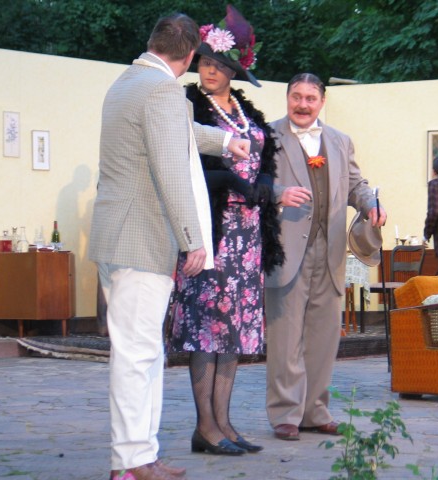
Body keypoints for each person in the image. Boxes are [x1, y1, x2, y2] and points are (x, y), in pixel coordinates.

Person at [89, 13, 251, 480]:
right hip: (140, 238)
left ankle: (139, 455)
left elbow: (174, 131)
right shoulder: (161, 90)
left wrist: (224, 140)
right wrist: (192, 237)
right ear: (191, 55)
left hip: (118, 235)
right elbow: (169, 165)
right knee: (138, 355)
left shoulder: (130, 81)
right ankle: (132, 462)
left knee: (141, 352)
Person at [170, 5, 305, 456]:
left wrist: (263, 181)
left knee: (234, 330)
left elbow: (264, 156)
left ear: (234, 71)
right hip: (211, 231)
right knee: (207, 328)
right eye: (205, 62)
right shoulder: (188, 105)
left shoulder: (245, 110)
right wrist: (231, 181)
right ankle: (204, 427)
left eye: (219, 64)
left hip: (248, 234)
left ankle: (224, 423)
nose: (209, 70)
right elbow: (182, 167)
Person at [265, 73, 387, 441]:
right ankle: (285, 413)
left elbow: (355, 185)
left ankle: (314, 411)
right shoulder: (267, 136)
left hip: (330, 250)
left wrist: (371, 204)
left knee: (324, 336)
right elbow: (252, 182)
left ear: (322, 102)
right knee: (285, 337)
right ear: (287, 98)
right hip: (285, 248)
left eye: (310, 98)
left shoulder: (340, 140)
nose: (302, 105)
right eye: (296, 97)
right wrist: (278, 192)